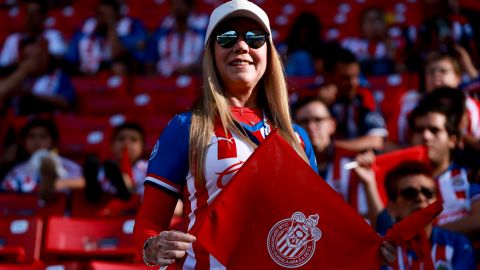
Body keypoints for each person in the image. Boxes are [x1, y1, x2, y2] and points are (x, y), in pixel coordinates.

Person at [133, 1, 394, 268]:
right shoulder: (186, 127)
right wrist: (151, 247)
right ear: (211, 53)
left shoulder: (298, 137)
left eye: (255, 38)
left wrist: (366, 247)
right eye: (227, 38)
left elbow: (316, 224)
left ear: (269, 53)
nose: (242, 46)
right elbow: (149, 220)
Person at [354, 159, 476, 269]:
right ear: (392, 207)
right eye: (410, 193)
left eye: (428, 192)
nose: (420, 197)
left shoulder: (457, 244)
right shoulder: (379, 252)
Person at [408, 95, 480, 235]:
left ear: (452, 140)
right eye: (419, 130)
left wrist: (429, 234)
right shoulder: (399, 185)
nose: (426, 137)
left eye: (434, 130)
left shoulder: (470, 176)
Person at [293, 96, 371, 218]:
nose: (311, 127)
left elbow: (369, 218)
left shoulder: (354, 163)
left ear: (332, 125)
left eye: (318, 120)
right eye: (304, 122)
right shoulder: (289, 167)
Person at [1, 118, 84, 201]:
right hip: (26, 206)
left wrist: (59, 184)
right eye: (31, 137)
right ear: (24, 142)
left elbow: (87, 181)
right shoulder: (18, 169)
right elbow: (6, 187)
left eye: (43, 137)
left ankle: (47, 188)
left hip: (60, 203)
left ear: (53, 141)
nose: (36, 141)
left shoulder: (65, 163)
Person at [328, 48, 388, 152]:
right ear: (332, 77)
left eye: (356, 76)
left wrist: (330, 146)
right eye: (345, 78)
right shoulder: (318, 98)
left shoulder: (365, 97)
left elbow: (376, 140)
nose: (353, 83)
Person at [64, 0, 148, 74]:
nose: (104, 18)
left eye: (109, 14)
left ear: (117, 14)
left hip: (118, 70)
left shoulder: (130, 26)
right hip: (89, 72)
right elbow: (71, 58)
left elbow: (117, 53)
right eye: (101, 14)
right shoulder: (85, 31)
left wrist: (111, 28)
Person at [0, 35, 76, 116]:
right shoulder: (12, 78)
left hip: (48, 120)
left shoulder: (58, 76)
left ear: (46, 57)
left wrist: (33, 96)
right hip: (17, 122)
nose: (32, 63)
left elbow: (66, 103)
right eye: (27, 58)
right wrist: (22, 73)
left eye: (36, 58)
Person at [83, 122, 148, 202]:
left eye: (133, 139)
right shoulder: (103, 168)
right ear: (111, 146)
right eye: (121, 139)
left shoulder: (148, 169)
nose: (126, 143)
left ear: (143, 147)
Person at [0, 0, 66, 69]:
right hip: (20, 77)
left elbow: (58, 59)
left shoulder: (52, 35)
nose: (30, 18)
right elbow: (3, 65)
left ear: (43, 16)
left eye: (34, 14)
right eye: (27, 13)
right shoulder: (13, 39)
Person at [148, 0, 207, 77]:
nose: (177, 7)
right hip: (165, 81)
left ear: (189, 7)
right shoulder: (160, 35)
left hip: (194, 80)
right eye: (174, 4)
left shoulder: (201, 35)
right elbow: (150, 61)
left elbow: (207, 64)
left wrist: (193, 69)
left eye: (180, 3)